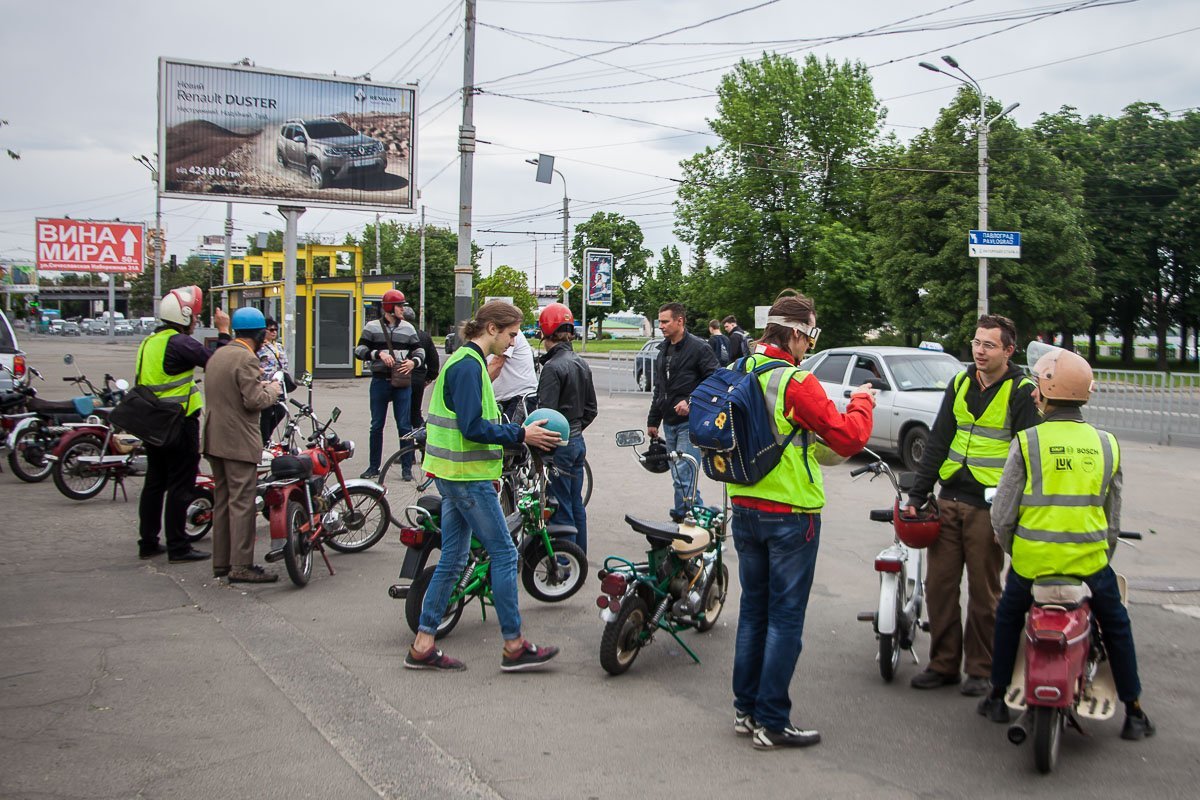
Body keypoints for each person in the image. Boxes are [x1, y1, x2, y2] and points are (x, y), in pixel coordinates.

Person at [978, 347, 1153, 740]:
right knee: (1117, 626)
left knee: (1007, 618)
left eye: (1039, 387)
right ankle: (1135, 712)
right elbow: (1113, 519)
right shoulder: (1107, 445)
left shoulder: (1027, 443)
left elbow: (1002, 515)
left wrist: (1014, 549)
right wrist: (1101, 556)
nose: (1034, 394)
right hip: (1089, 565)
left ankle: (995, 695)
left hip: (1032, 565)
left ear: (1049, 391)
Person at [728, 291, 875, 749]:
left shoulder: (738, 369)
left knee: (753, 612)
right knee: (785, 619)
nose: (810, 345)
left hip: (744, 508)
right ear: (794, 333)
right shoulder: (796, 382)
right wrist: (863, 403)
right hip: (791, 516)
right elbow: (848, 438)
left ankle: (745, 710)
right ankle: (772, 721)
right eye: (811, 336)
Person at [405, 301, 563, 672]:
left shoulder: (467, 362)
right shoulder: (467, 366)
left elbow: (473, 425)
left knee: (454, 558)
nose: (512, 343)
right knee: (506, 555)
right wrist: (522, 433)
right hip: (464, 478)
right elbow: (473, 426)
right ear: (491, 328)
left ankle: (423, 643)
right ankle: (514, 645)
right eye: (510, 334)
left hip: (458, 475)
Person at [905, 315, 1038, 696]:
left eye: (989, 345)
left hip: (989, 509)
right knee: (940, 586)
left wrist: (1015, 512)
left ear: (1009, 351)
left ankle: (981, 669)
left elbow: (1030, 457)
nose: (979, 351)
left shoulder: (1021, 391)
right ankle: (944, 665)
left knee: (984, 591)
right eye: (977, 343)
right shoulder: (961, 382)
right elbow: (937, 441)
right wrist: (918, 495)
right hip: (948, 500)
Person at [135, 285, 229, 564]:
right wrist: (224, 332)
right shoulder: (179, 342)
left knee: (154, 483)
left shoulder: (150, 341)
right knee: (181, 484)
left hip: (152, 422)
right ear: (184, 315)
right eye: (195, 316)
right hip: (178, 422)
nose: (197, 321)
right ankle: (178, 546)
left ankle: (148, 542)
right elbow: (219, 363)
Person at [202, 308, 283, 583]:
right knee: (242, 504)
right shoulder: (246, 359)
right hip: (237, 441)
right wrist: (273, 388)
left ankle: (221, 563)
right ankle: (241, 566)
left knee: (222, 502)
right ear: (260, 334)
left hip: (215, 438)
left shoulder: (218, 354)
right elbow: (254, 400)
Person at [647, 302, 718, 522]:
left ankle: (687, 519)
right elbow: (660, 388)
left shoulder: (699, 348)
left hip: (691, 422)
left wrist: (691, 401)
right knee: (680, 474)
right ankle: (692, 515)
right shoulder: (663, 350)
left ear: (680, 321)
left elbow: (715, 380)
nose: (661, 326)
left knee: (683, 475)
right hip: (669, 422)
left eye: (665, 321)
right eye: (660, 322)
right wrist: (653, 419)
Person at [536, 303, 597, 553]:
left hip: (558, 445)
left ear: (544, 332)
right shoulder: (580, 362)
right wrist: (575, 430)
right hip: (577, 442)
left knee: (559, 506)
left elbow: (545, 415)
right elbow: (591, 409)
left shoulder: (552, 367)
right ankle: (579, 555)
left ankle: (563, 561)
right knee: (575, 503)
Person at [354, 289, 426, 480]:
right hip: (380, 380)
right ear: (389, 307)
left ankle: (406, 469)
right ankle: (373, 466)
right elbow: (359, 349)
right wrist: (378, 354)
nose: (403, 309)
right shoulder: (372, 327)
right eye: (400, 305)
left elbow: (419, 351)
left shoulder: (408, 329)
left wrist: (413, 362)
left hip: (402, 382)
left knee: (404, 426)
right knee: (376, 425)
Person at [488, 324, 538, 424]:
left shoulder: (509, 333)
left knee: (508, 435)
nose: (512, 343)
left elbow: (496, 364)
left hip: (519, 398)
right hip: (504, 398)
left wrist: (474, 391)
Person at [403, 306, 439, 430]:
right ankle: (423, 439)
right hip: (418, 380)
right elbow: (434, 362)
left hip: (400, 380)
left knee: (402, 414)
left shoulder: (398, 334)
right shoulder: (424, 336)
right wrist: (428, 378)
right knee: (415, 413)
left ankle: (408, 445)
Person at [257, 316, 288, 445]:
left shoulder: (279, 346)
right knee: (267, 412)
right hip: (265, 384)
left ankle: (266, 435)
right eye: (271, 329)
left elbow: (284, 363)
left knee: (280, 411)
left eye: (276, 329)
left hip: (278, 384)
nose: (274, 332)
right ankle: (265, 440)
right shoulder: (259, 347)